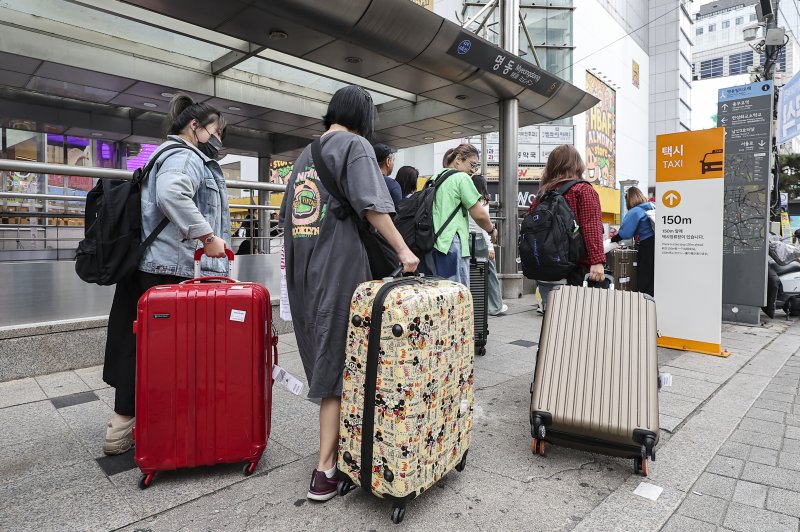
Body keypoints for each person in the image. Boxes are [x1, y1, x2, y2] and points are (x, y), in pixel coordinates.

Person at [283, 85, 419, 502]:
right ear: (365, 117)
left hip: (305, 269)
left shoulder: (305, 154)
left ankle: (341, 452)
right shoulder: (355, 144)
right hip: (338, 267)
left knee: (328, 359)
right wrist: (402, 248)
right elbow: (373, 206)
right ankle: (324, 471)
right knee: (340, 367)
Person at [101, 95, 230, 455]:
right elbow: (171, 193)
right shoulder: (184, 156)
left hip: (146, 266)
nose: (218, 137)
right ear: (195, 127)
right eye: (215, 130)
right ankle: (165, 426)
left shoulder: (162, 154)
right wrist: (207, 235)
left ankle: (122, 426)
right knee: (169, 353)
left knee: (137, 347)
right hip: (168, 271)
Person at [530, 144, 605, 287]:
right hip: (577, 268)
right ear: (577, 164)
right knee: (580, 308)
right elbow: (591, 226)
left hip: (546, 267)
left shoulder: (543, 194)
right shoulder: (583, 190)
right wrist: (597, 261)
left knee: (552, 307)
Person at [421, 144, 496, 286]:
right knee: (456, 293)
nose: (473, 171)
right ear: (458, 159)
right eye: (472, 165)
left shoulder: (435, 177)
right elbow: (479, 214)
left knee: (438, 291)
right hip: (451, 244)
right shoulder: (461, 178)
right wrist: (492, 231)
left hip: (432, 242)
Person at [469, 174, 507, 315]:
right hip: (480, 241)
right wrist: (490, 246)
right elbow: (484, 225)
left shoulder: (467, 199)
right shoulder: (483, 201)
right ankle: (496, 306)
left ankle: (475, 306)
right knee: (490, 273)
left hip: (466, 240)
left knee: (471, 274)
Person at [611, 186, 655, 296]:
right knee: (653, 277)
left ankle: (643, 302)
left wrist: (611, 240)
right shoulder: (651, 206)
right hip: (658, 244)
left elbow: (625, 233)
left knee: (644, 276)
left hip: (647, 245)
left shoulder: (635, 211)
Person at [373, 143, 402, 208]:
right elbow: (398, 214)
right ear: (388, 161)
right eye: (393, 160)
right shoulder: (392, 185)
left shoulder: (361, 182)